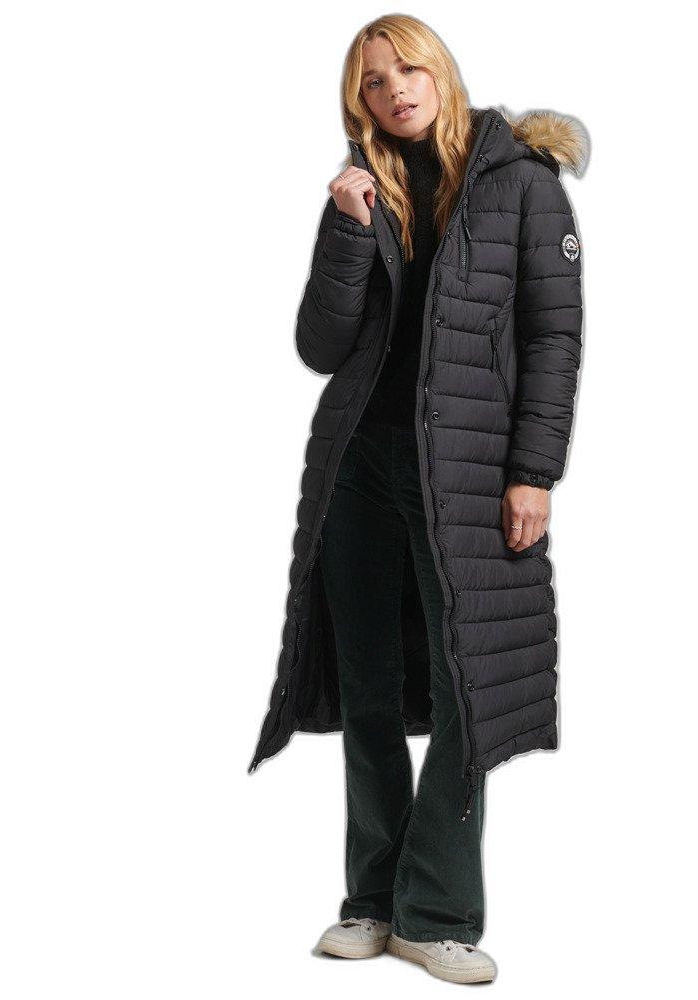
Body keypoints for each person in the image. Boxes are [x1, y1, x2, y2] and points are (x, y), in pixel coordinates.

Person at [249, 14, 586, 984]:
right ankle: (371, 899)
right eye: (372, 80)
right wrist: (347, 229)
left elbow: (554, 337)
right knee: (366, 682)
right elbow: (321, 346)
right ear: (357, 100)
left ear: (439, 71)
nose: (393, 89)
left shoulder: (523, 180)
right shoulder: (364, 188)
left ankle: (433, 913)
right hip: (360, 464)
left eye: (407, 69)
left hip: (470, 473)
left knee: (465, 682)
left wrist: (533, 471)